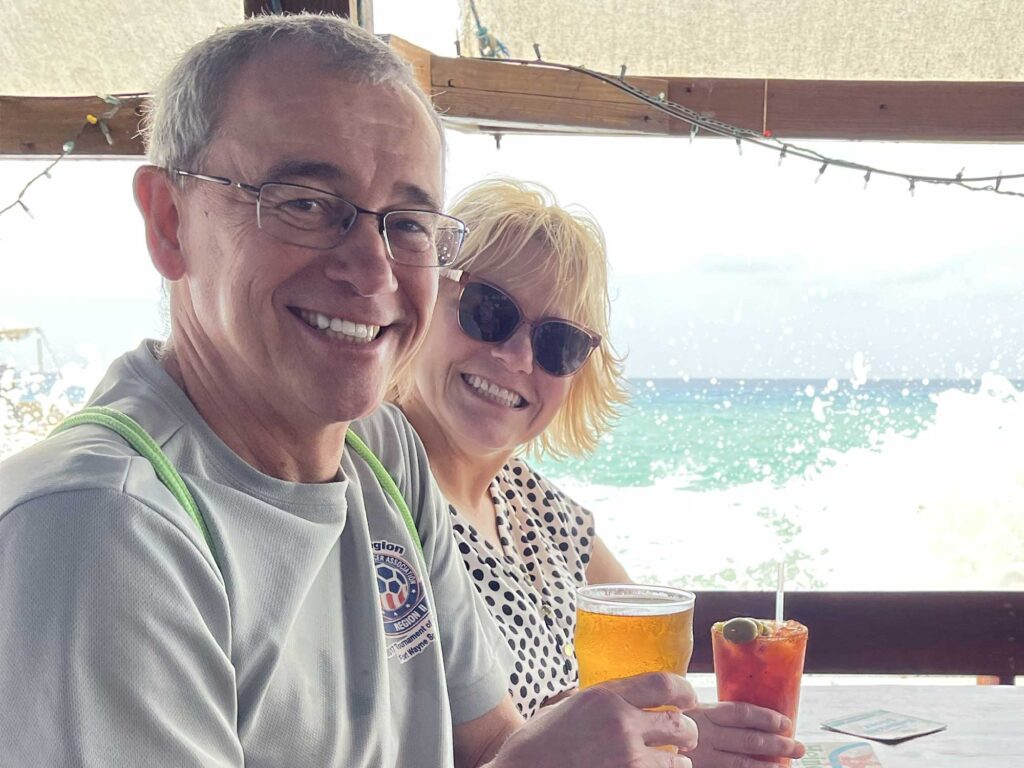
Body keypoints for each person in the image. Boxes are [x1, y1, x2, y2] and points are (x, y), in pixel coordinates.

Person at [0, 14, 701, 768]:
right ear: (171, 222)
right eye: (305, 202)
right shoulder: (103, 526)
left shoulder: (383, 454)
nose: (373, 273)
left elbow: (489, 748)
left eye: (407, 225)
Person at [395, 178, 806, 766]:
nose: (516, 358)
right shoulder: (373, 487)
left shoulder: (541, 511)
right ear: (423, 296)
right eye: (488, 310)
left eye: (558, 343)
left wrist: (686, 736)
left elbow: (639, 662)